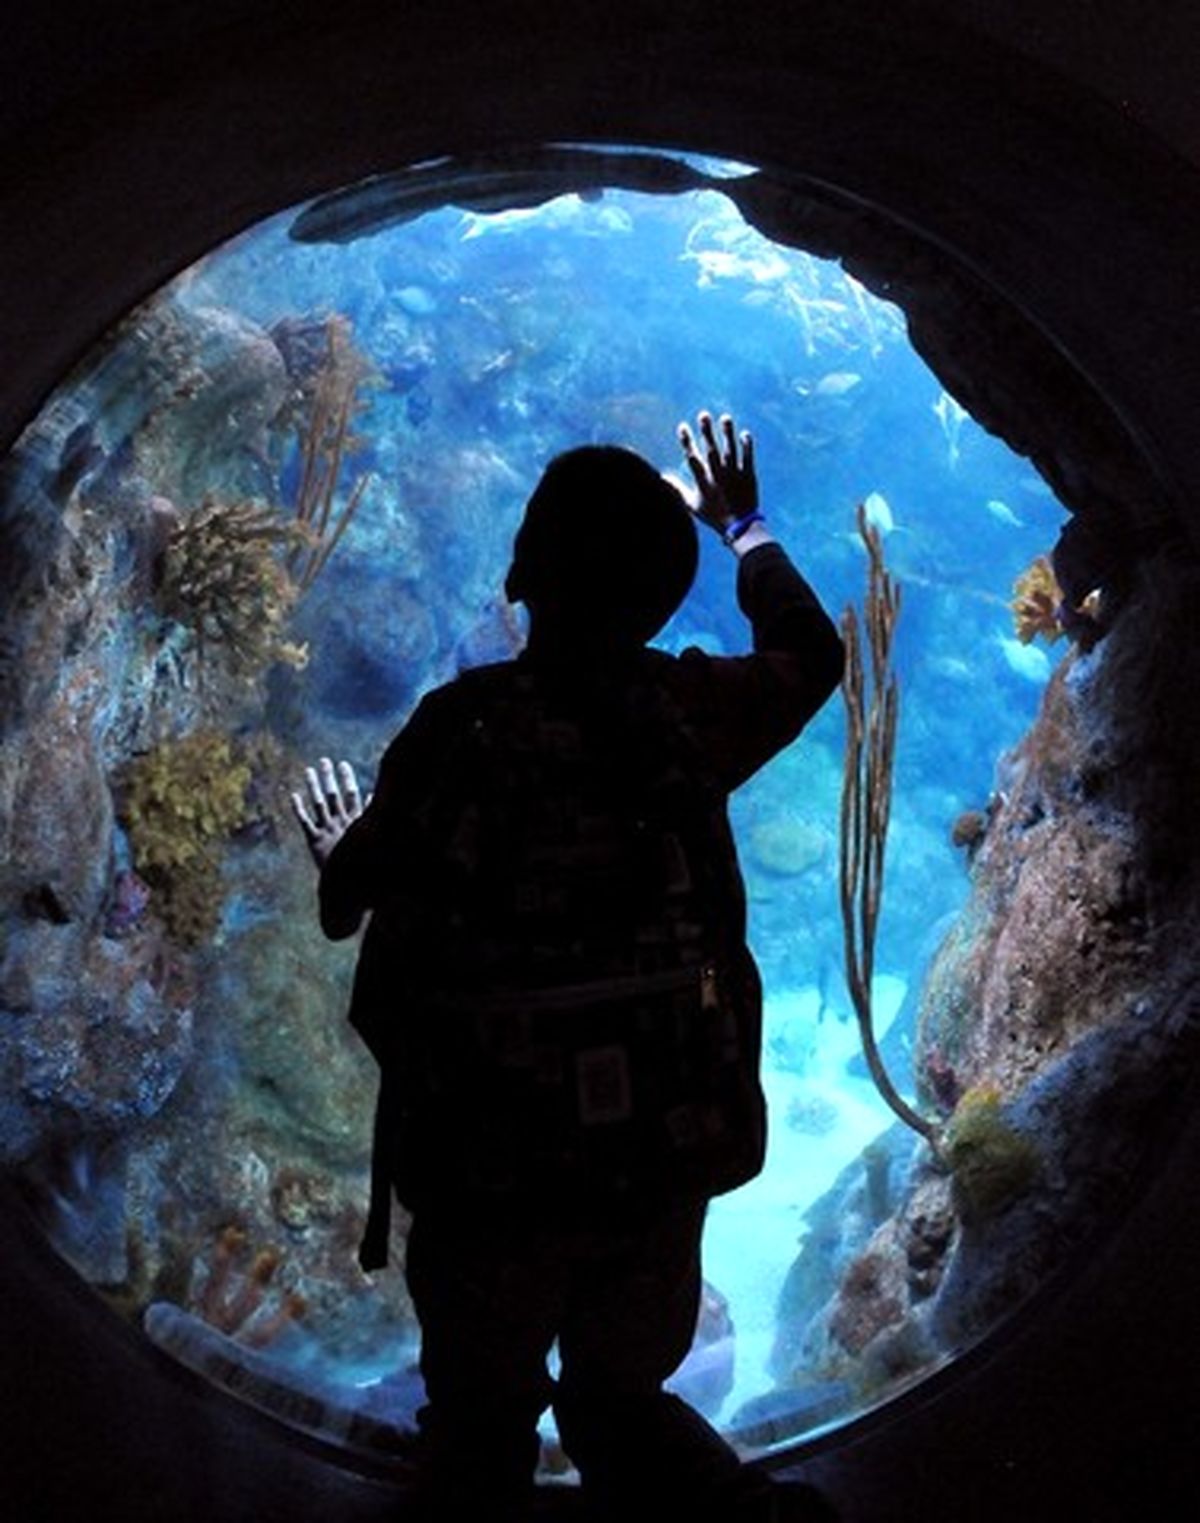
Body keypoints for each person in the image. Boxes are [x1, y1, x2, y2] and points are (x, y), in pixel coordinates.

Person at [292, 412, 844, 1522]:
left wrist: (345, 843)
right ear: (665, 596)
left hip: (487, 1169)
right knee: (622, 1402)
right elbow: (813, 654)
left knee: (478, 1421)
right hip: (661, 1154)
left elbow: (349, 901)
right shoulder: (686, 713)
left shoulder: (459, 727)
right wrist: (746, 527)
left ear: (519, 574)